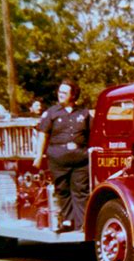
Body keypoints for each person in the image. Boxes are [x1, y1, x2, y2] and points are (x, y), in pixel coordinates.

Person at [33, 79, 91, 232]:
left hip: (81, 160)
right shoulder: (51, 113)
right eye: (59, 92)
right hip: (58, 160)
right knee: (62, 190)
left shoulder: (84, 113)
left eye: (64, 92)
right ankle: (67, 222)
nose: (60, 95)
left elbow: (92, 135)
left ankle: (82, 224)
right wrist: (39, 156)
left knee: (81, 191)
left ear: (73, 95)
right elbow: (43, 134)